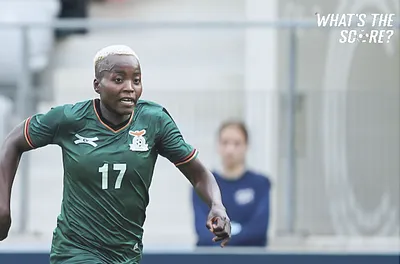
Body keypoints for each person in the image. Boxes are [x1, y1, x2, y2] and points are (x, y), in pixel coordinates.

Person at [0, 45, 231, 263]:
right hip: (75, 249)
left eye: (136, 80)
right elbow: (13, 142)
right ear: (97, 84)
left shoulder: (154, 121)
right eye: (118, 79)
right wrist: (3, 205)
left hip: (126, 253)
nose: (130, 87)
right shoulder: (70, 119)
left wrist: (217, 205)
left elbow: (199, 174)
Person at [192, 121, 271, 247]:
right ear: (218, 145)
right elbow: (203, 232)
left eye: (237, 143)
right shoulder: (203, 185)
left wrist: (224, 235)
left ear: (246, 146)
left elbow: (258, 231)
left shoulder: (260, 184)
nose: (230, 149)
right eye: (225, 143)